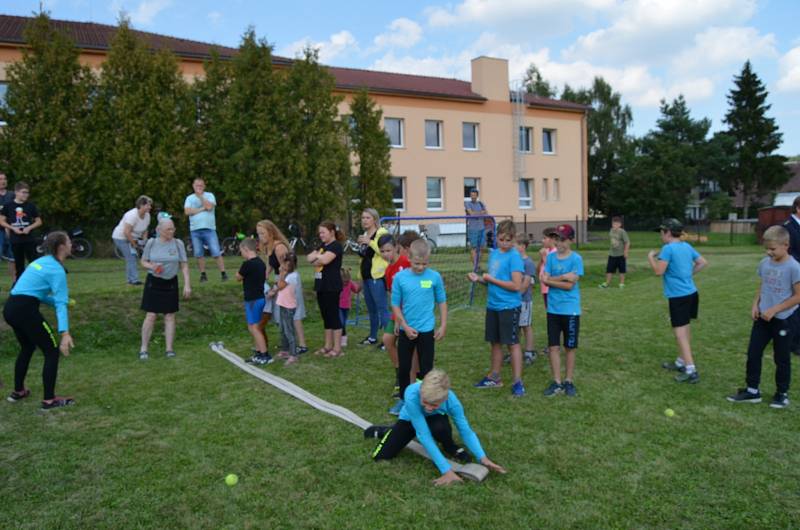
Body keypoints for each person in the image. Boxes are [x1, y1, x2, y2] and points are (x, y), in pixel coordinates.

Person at [365, 369, 506, 487]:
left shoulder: (452, 402)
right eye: (425, 402)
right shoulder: (411, 393)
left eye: (434, 404)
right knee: (381, 456)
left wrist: (482, 457)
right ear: (421, 392)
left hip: (435, 419)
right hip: (410, 419)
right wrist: (446, 470)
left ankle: (449, 446)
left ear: (444, 399)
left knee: (441, 427)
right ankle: (387, 431)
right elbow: (423, 435)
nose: (428, 407)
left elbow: (465, 431)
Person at [727, 225, 800, 409]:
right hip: (763, 318)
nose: (769, 252)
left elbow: (798, 296)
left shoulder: (794, 267)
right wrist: (755, 304)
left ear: (786, 245)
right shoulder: (765, 263)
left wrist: (775, 309)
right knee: (753, 353)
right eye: (766, 248)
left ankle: (781, 394)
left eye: (773, 249)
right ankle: (752, 391)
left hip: (784, 319)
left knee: (781, 357)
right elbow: (763, 285)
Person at [4, 231, 75, 410]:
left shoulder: (38, 262)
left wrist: (59, 301)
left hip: (11, 308)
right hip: (26, 311)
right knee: (51, 351)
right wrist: (65, 333)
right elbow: (60, 304)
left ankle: (18, 391)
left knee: (27, 347)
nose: (71, 244)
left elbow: (34, 293)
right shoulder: (57, 270)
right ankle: (49, 400)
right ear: (61, 247)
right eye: (69, 242)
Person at [469, 220, 526, 397]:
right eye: (501, 239)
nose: (505, 243)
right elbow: (493, 282)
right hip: (493, 305)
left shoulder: (514, 257)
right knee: (495, 342)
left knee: (512, 343)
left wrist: (491, 280)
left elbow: (516, 285)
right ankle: (494, 377)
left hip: (509, 307)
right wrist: (479, 279)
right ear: (496, 238)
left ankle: (517, 382)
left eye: (508, 240)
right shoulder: (494, 254)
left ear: (514, 239)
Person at [390, 238, 447, 415]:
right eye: (417, 263)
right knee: (405, 367)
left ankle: (429, 400)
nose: (421, 267)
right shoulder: (400, 278)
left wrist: (443, 325)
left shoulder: (434, 277)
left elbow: (442, 302)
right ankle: (404, 400)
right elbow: (395, 305)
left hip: (427, 331)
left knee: (427, 368)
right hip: (407, 330)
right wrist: (404, 326)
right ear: (409, 258)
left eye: (424, 263)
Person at [649, 218, 708, 383]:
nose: (661, 235)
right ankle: (681, 362)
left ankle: (691, 370)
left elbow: (659, 271)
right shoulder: (686, 246)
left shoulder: (667, 248)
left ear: (668, 232)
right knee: (685, 328)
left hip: (678, 297)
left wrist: (651, 258)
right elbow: (702, 262)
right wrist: (688, 275)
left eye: (662, 232)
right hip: (691, 293)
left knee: (680, 333)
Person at [540, 224, 584, 397]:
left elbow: (569, 286)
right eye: (557, 239)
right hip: (553, 310)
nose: (559, 243)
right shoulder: (551, 258)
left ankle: (568, 381)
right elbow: (545, 280)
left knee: (570, 347)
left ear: (571, 240)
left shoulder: (576, 259)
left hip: (570, 310)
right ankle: (557, 381)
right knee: (553, 347)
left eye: (563, 239)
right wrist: (563, 277)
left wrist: (551, 280)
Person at [138, 218, 192, 360]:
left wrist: (187, 284)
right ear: (159, 230)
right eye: (168, 229)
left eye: (173, 228)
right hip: (154, 282)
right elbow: (143, 261)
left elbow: (184, 265)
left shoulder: (178, 243)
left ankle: (169, 349)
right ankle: (144, 348)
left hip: (171, 283)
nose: (172, 231)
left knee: (170, 316)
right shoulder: (151, 243)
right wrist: (152, 266)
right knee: (151, 315)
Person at [257, 220, 308, 355]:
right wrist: (262, 279)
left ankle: (302, 344)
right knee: (282, 314)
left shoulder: (280, 247)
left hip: (288, 281)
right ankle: (287, 344)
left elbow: (286, 269)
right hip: (279, 279)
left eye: (263, 233)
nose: (260, 236)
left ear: (271, 232)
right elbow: (270, 266)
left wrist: (276, 288)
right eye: (258, 233)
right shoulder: (269, 247)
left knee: (294, 313)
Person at [382, 231, 420, 410]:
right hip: (397, 312)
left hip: (410, 313)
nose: (385, 254)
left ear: (396, 248)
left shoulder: (406, 263)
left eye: (388, 250)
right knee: (387, 340)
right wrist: (395, 315)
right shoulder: (388, 270)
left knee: (412, 351)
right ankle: (401, 374)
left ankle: (412, 383)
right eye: (382, 251)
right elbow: (392, 295)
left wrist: (401, 319)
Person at [307, 221, 345, 357]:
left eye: (323, 232)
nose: (320, 235)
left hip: (331, 286)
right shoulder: (323, 246)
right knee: (326, 316)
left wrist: (318, 257)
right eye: (320, 232)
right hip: (321, 285)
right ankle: (328, 346)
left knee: (333, 316)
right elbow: (309, 258)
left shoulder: (336, 246)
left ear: (332, 232)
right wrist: (318, 256)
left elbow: (324, 260)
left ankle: (337, 348)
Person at [356, 208, 389, 348]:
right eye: (363, 217)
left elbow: (384, 252)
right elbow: (365, 257)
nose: (364, 220)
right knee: (371, 309)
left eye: (367, 218)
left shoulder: (382, 233)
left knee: (382, 308)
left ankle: (388, 340)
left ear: (375, 219)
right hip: (366, 276)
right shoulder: (365, 234)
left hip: (378, 276)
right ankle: (372, 337)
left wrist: (369, 242)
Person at [183, 177, 227, 282]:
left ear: (204, 186)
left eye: (201, 185)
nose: (199, 187)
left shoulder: (209, 195)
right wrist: (202, 208)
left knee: (216, 252)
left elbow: (209, 207)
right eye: (197, 185)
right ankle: (203, 274)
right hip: (195, 230)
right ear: (193, 186)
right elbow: (187, 211)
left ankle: (223, 273)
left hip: (209, 229)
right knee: (199, 253)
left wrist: (200, 197)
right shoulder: (189, 198)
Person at [236, 238, 271, 366]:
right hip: (260, 298)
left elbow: (238, 277)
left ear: (246, 249)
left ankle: (264, 354)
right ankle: (258, 352)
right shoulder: (261, 263)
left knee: (255, 328)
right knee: (253, 326)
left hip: (252, 300)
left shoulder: (247, 264)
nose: (241, 253)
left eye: (241, 251)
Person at [0, 181, 42, 281]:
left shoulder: (30, 206)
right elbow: (1, 221)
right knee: (19, 265)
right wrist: (12, 228)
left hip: (29, 239)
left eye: (27, 193)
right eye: (23, 192)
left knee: (34, 263)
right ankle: (18, 286)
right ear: (16, 192)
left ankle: (37, 282)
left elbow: (39, 221)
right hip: (16, 240)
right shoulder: (8, 205)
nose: (26, 195)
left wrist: (29, 228)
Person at [112, 195, 153, 286]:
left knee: (133, 257)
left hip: (133, 237)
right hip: (120, 237)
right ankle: (133, 280)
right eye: (148, 205)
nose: (150, 207)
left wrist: (144, 242)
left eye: (150, 205)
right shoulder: (132, 215)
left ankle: (131, 280)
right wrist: (134, 245)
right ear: (141, 205)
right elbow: (126, 232)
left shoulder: (147, 216)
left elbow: (145, 230)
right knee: (131, 257)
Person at [271, 253, 301, 365]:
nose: (283, 266)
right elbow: (278, 284)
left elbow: (280, 286)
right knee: (282, 329)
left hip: (289, 307)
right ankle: (285, 350)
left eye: (286, 264)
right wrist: (282, 273)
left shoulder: (292, 276)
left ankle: (293, 355)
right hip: (283, 304)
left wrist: (281, 273)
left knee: (289, 331)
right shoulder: (287, 275)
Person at [782, 196, 800, 355]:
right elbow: (787, 252)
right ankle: (792, 343)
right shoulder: (788, 227)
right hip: (794, 272)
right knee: (794, 307)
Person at [516, 234, 537, 365]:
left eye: (516, 245)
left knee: (526, 325)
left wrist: (517, 297)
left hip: (524, 301)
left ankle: (529, 351)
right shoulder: (514, 261)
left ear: (523, 246)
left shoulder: (528, 263)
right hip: (514, 301)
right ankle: (516, 351)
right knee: (516, 326)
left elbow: (526, 283)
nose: (513, 247)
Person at [599, 216, 630, 289]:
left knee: (622, 270)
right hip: (612, 254)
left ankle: (621, 284)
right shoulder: (611, 231)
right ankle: (607, 283)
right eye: (613, 224)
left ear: (620, 224)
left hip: (621, 254)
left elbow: (627, 242)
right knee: (609, 270)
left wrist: (626, 252)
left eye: (616, 224)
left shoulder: (622, 232)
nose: (615, 225)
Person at [0, 172, 17, 282]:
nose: (3, 181)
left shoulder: (12, 195)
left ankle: (15, 285)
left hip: (12, 230)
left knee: (13, 258)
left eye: (5, 178)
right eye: (0, 179)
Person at [464, 189, 488, 265]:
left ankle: (478, 264)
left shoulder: (481, 203)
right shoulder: (467, 203)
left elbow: (486, 213)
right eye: (471, 195)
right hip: (472, 229)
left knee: (481, 247)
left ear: (477, 196)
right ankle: (475, 266)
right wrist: (481, 213)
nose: (473, 197)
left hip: (482, 228)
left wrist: (476, 213)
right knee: (474, 248)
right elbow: (471, 214)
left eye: (474, 195)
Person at [339, 268, 361, 347]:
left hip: (346, 306)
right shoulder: (336, 284)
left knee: (344, 323)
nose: (345, 283)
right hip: (338, 306)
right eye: (343, 282)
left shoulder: (350, 283)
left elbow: (356, 290)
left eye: (347, 282)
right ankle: (342, 338)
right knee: (341, 322)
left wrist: (361, 285)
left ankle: (343, 338)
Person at [538, 227, 558, 310]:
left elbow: (552, 269)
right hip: (544, 287)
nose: (542, 240)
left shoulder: (555, 252)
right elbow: (539, 268)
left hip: (550, 287)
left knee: (553, 309)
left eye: (544, 238)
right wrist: (541, 258)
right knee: (548, 309)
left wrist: (544, 256)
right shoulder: (547, 251)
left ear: (552, 239)